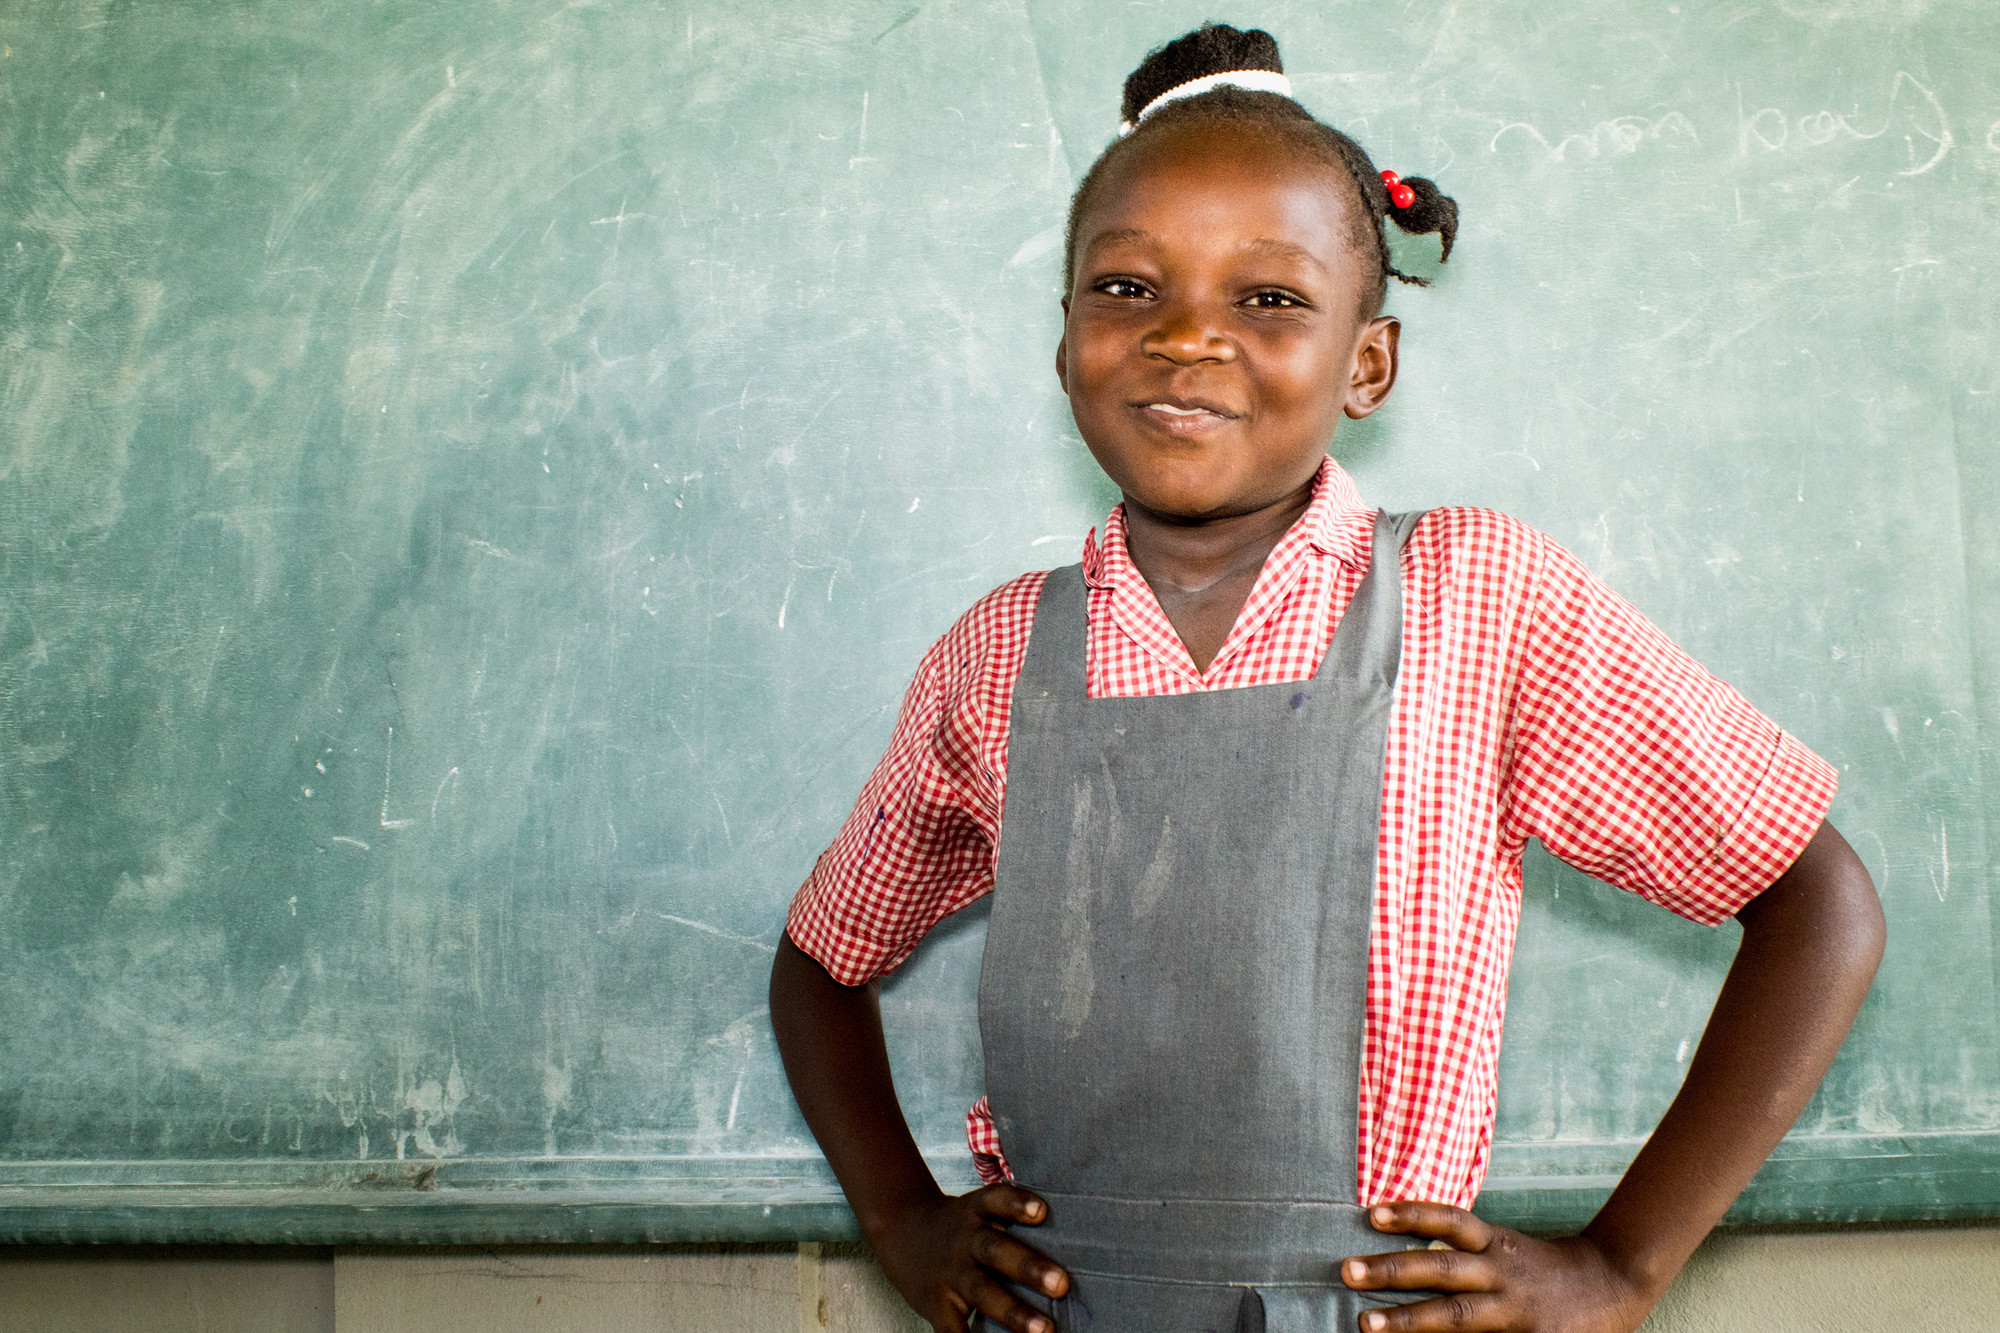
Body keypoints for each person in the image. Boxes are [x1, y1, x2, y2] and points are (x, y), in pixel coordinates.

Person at [769, 22, 1885, 1333]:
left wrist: (1620, 1265)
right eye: (1127, 288)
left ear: (1368, 363)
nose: (1187, 338)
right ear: (1062, 333)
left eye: (1270, 298)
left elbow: (1818, 901)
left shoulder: (1475, 599)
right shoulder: (997, 655)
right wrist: (903, 1219)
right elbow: (821, 961)